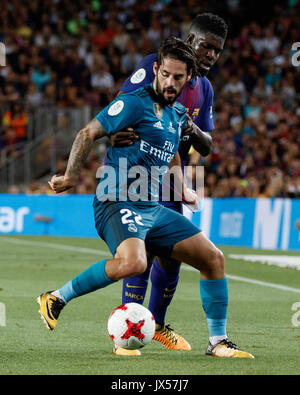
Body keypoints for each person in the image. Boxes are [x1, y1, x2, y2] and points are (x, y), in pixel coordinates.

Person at [37, 38, 254, 359]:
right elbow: (87, 133)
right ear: (156, 69)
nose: (170, 82)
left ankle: (218, 341)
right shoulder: (133, 102)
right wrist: (70, 176)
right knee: (135, 262)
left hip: (151, 207)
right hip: (115, 198)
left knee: (213, 259)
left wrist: (182, 188)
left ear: (189, 77)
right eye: (165, 74)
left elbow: (174, 156)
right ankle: (55, 297)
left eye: (178, 78)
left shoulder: (178, 115)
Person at [110, 13, 228, 355]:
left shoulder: (203, 88)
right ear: (191, 42)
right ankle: (126, 337)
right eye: (206, 47)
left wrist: (191, 141)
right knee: (141, 249)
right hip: (137, 172)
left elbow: (203, 145)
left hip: (171, 175)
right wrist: (119, 133)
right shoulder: (155, 66)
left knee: (172, 255)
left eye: (217, 52)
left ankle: (156, 325)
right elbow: (121, 105)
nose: (211, 56)